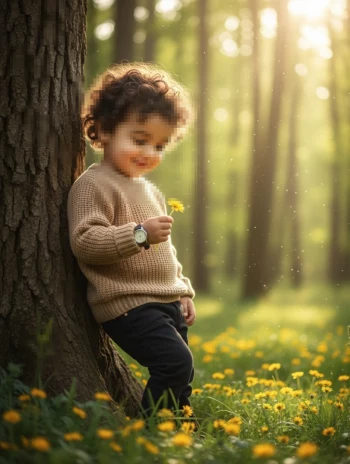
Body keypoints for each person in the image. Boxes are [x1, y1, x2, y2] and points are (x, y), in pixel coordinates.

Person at [67, 62, 197, 423]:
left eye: (159, 145)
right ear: (106, 129)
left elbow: (164, 251)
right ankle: (150, 432)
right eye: (139, 140)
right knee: (174, 362)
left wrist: (182, 290)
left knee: (181, 374)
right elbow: (86, 241)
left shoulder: (148, 189)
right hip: (127, 303)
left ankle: (181, 432)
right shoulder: (94, 185)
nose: (148, 153)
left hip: (164, 298)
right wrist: (139, 234)